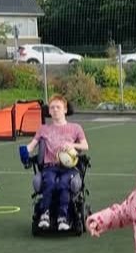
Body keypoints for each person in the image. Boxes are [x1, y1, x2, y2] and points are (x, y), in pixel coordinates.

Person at [26, 94, 89, 231]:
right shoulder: (43, 129)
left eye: (58, 107)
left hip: (69, 167)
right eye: (52, 107)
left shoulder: (75, 128)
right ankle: (45, 214)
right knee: (49, 182)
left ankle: (63, 217)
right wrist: (24, 152)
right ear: (48, 111)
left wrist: (72, 145)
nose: (55, 110)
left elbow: (85, 146)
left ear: (65, 110)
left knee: (63, 184)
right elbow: (31, 146)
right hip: (50, 167)